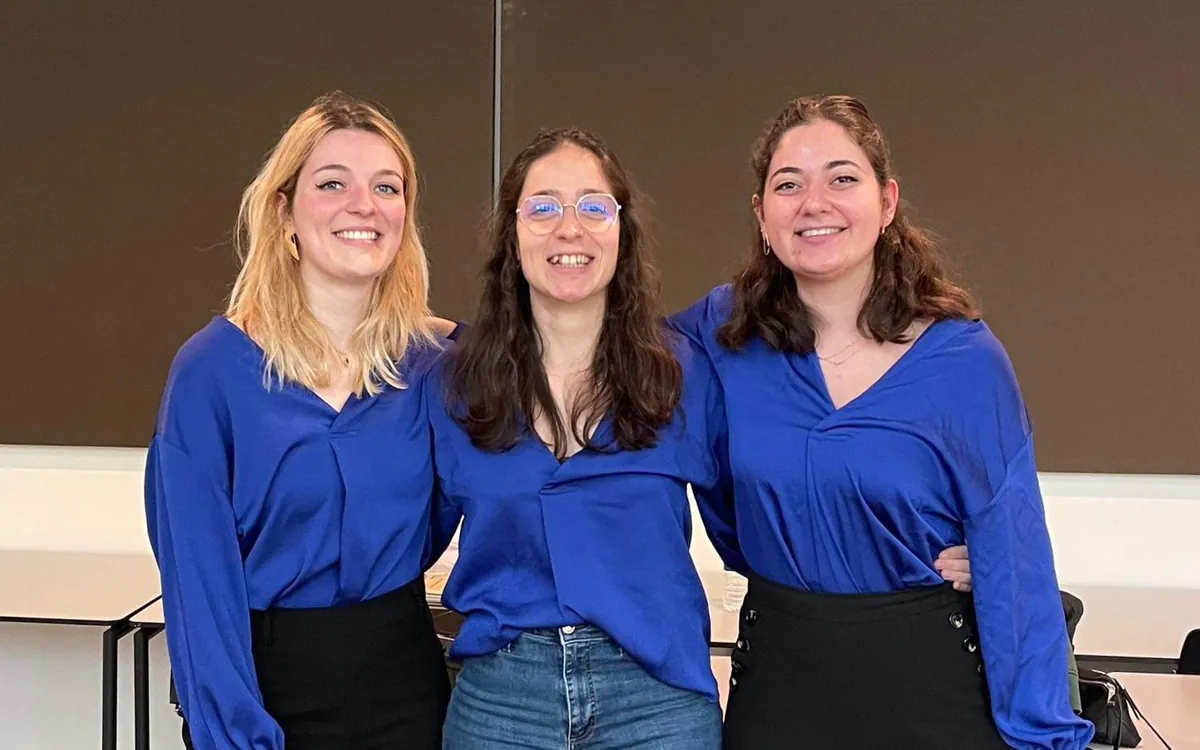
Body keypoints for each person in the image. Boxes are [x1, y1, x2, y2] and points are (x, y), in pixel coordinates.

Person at [423, 126, 974, 749]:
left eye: (594, 207)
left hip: (654, 699)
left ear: (623, 232)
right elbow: (403, 526)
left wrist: (917, 555)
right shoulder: (452, 383)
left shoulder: (685, 371)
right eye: (543, 206)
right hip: (502, 700)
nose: (568, 228)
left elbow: (759, 525)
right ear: (512, 233)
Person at [672, 94, 1095, 749]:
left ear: (887, 201)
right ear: (762, 215)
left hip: (931, 688)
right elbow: (589, 353)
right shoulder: (721, 333)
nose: (814, 203)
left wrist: (1044, 732)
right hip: (780, 685)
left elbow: (1016, 559)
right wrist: (452, 340)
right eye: (789, 184)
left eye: (842, 178)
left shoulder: (964, 360)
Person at [144, 92, 451, 750]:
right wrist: (234, 730)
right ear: (283, 210)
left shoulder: (430, 367)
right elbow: (199, 584)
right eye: (332, 183)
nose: (363, 206)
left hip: (405, 685)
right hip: (264, 686)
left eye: (386, 187)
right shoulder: (211, 373)